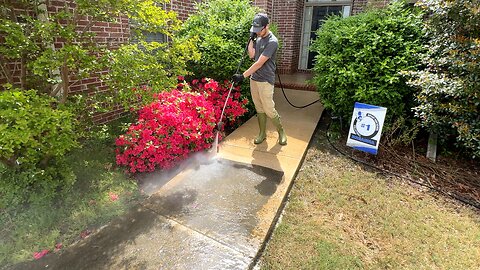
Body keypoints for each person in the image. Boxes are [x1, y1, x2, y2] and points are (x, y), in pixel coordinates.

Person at [232, 13, 287, 145]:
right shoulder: (259, 38)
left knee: (268, 108)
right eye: (255, 30)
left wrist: (242, 76)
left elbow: (259, 63)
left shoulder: (272, 41)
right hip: (254, 79)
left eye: (259, 30)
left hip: (265, 80)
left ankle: (281, 131)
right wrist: (251, 40)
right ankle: (262, 133)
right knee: (259, 107)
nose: (257, 32)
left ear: (266, 26)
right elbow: (252, 55)